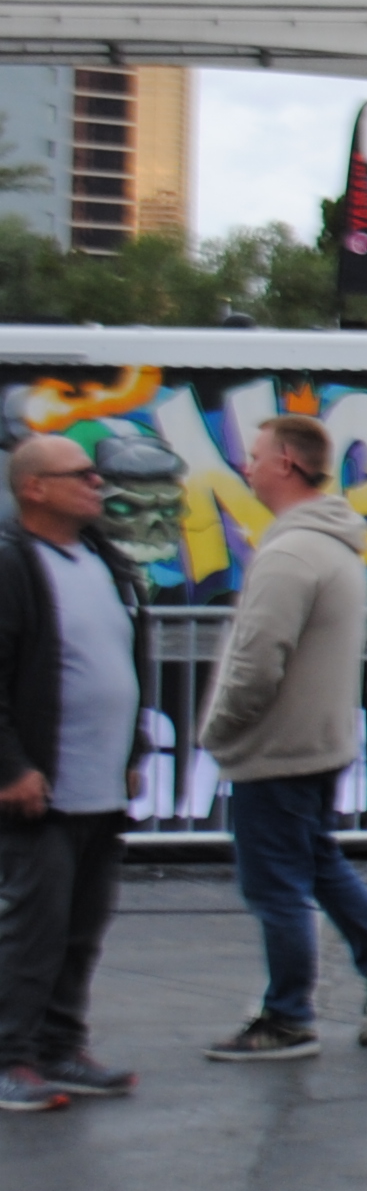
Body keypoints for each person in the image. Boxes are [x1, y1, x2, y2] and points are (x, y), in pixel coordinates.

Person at [200, 414, 367, 1062]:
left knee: (274, 885)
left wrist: (217, 730)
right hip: (315, 741)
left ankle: (288, 1017)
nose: (245, 466)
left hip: (276, 747)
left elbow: (256, 664)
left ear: (284, 463)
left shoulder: (290, 554)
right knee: (316, 862)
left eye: (254, 455)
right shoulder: (332, 545)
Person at [0, 433, 153, 1113]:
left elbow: (126, 665)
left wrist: (131, 755)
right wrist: (12, 767)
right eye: (81, 475)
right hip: (42, 790)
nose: (98, 484)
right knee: (32, 930)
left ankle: (61, 1046)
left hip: (99, 786)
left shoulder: (104, 561)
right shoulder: (13, 564)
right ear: (34, 488)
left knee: (81, 930)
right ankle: (10, 1057)